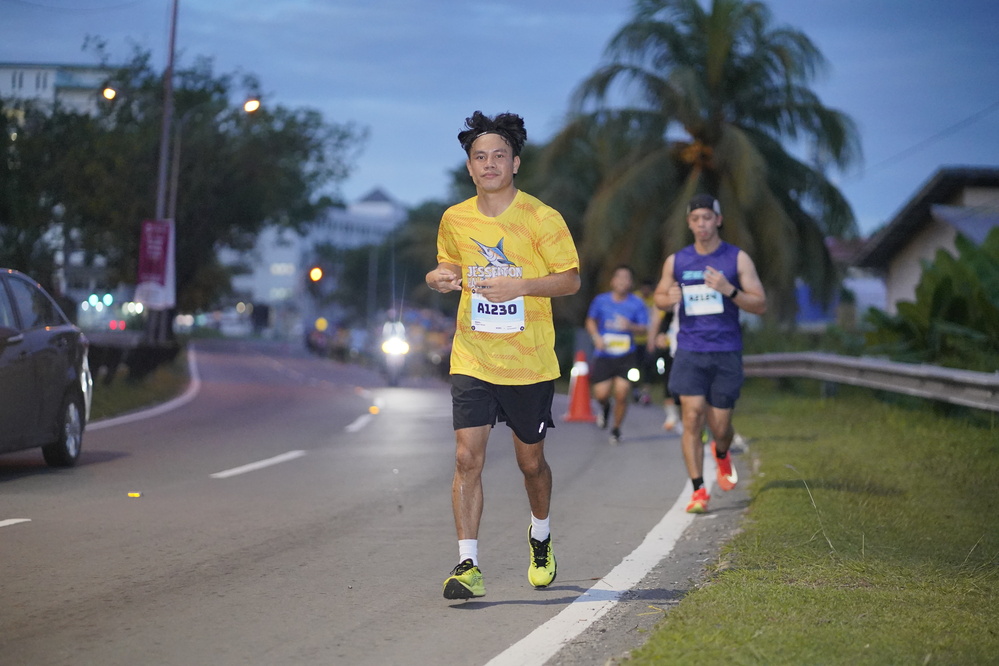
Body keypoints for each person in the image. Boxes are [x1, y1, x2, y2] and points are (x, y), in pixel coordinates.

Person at [426, 111, 581, 600]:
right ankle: (468, 564)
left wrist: (522, 286)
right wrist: (438, 277)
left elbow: (570, 280)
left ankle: (541, 535)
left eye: (498, 155)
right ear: (469, 167)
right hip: (472, 354)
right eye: (480, 157)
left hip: (528, 362)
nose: (489, 163)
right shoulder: (455, 218)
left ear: (515, 163)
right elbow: (448, 265)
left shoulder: (542, 218)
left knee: (530, 464)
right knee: (465, 457)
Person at [653, 194, 766, 513]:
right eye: (695, 219)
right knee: (691, 417)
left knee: (721, 427)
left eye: (707, 217)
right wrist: (668, 298)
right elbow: (659, 297)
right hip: (689, 350)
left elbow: (760, 303)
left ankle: (722, 452)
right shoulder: (677, 261)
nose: (701, 224)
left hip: (726, 351)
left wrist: (729, 290)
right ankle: (699, 490)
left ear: (718, 220)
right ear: (689, 224)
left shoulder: (737, 258)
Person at [585, 265, 649, 444]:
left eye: (626, 278)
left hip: (626, 355)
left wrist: (630, 326)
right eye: (619, 277)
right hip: (604, 353)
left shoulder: (637, 303)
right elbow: (590, 320)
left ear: (631, 283)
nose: (622, 281)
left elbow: (644, 328)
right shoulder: (601, 300)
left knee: (622, 393)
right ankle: (605, 408)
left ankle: (616, 429)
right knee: (601, 395)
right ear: (613, 281)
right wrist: (596, 337)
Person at [651, 303, 682, 432]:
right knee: (669, 382)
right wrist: (661, 335)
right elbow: (664, 322)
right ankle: (672, 415)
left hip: (693, 352)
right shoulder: (673, 309)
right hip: (672, 352)